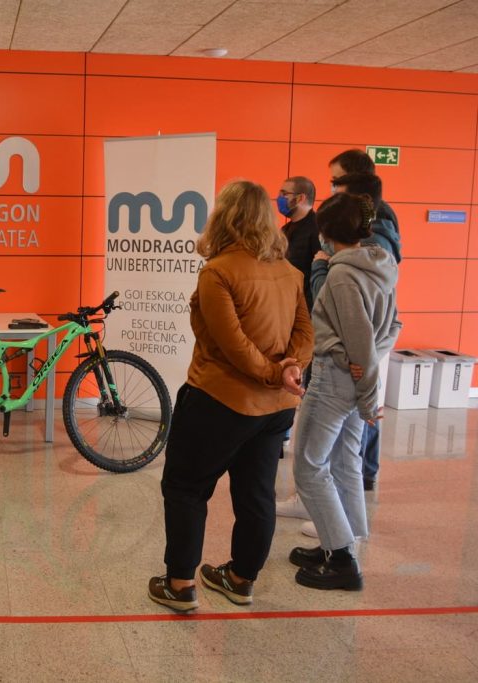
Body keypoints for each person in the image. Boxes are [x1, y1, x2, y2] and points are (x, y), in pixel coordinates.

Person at [147, 180, 313, 613]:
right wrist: (289, 369)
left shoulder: (218, 271)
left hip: (219, 401)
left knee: (185, 488)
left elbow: (232, 345)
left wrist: (274, 372)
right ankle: (240, 579)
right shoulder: (290, 273)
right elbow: (304, 334)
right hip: (275, 410)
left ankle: (181, 584)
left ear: (224, 216)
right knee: (256, 493)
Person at [289, 192, 401, 591]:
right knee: (344, 459)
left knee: (308, 465)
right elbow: (391, 329)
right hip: (354, 377)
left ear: (326, 232)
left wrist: (367, 387)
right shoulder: (382, 266)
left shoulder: (340, 274)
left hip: (335, 380)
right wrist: (366, 368)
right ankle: (344, 538)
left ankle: (340, 558)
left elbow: (359, 340)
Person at [277, 176, 319, 310]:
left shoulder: (318, 229)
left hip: (307, 309)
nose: (279, 198)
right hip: (286, 304)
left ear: (300, 198)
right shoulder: (285, 230)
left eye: (284, 194)